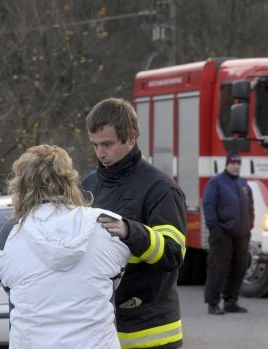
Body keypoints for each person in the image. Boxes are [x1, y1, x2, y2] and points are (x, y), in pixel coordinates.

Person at [0, 144, 130, 348]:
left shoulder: (9, 237)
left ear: (21, 187)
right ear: (69, 181)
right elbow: (117, 272)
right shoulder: (105, 225)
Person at [81, 98, 187, 349]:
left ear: (131, 137)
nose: (100, 153)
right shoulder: (88, 187)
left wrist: (131, 231)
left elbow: (174, 253)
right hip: (101, 331)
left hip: (152, 333)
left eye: (107, 144)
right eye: (95, 145)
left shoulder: (160, 188)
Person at [203, 151, 254, 315]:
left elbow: (250, 207)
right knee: (218, 269)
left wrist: (249, 225)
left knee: (239, 268)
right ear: (226, 164)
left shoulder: (243, 184)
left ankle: (231, 301)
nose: (236, 166)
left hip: (242, 234)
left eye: (238, 163)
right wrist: (215, 228)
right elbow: (209, 204)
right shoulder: (216, 182)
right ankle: (213, 303)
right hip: (222, 233)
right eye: (232, 163)